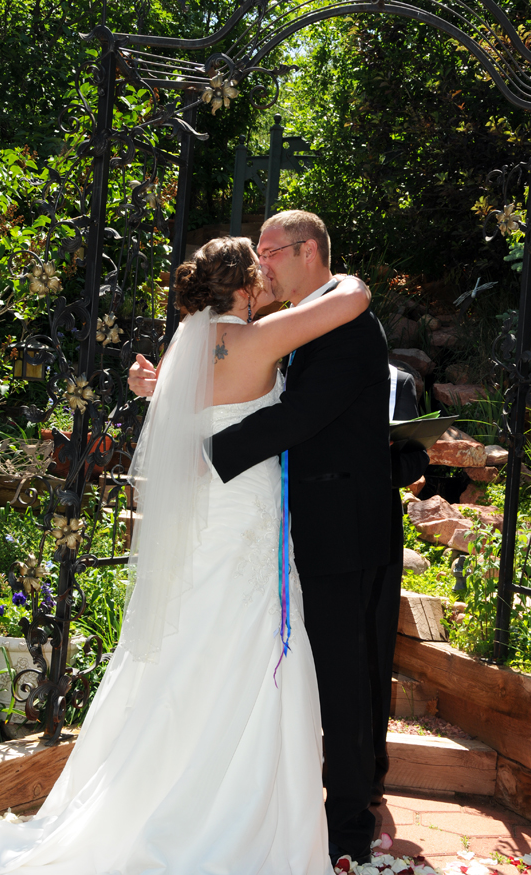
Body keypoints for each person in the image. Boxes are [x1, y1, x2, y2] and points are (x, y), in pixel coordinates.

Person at [0, 236, 371, 875]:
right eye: (262, 264)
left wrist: (149, 385)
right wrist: (342, 272)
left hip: (203, 520)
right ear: (245, 285)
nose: (271, 273)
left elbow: (180, 400)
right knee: (242, 651)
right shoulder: (257, 339)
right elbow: (354, 298)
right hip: (244, 514)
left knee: (189, 651)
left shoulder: (190, 342)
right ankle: (225, 822)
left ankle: (160, 794)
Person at [174, 211, 394, 867]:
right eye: (259, 253)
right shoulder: (307, 319)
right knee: (326, 673)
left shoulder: (346, 318)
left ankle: (350, 824)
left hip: (344, 526)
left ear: (307, 250)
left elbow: (300, 415)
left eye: (270, 250)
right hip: (304, 520)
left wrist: (205, 454)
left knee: (348, 679)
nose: (262, 262)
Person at [368, 366, 429, 804]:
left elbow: (414, 459)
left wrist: (372, 460)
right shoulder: (298, 362)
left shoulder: (397, 382)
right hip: (305, 527)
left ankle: (370, 773)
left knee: (373, 652)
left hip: (377, 533)